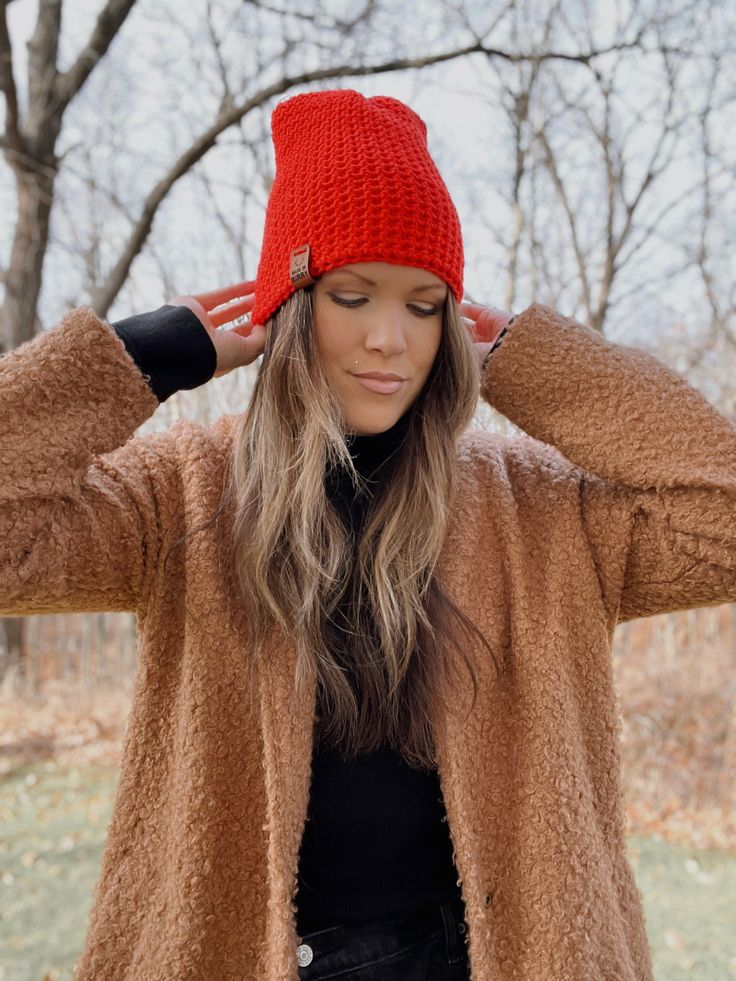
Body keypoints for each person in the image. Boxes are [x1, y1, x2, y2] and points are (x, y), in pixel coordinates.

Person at [1, 88, 734, 981]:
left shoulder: (536, 510)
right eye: (353, 295)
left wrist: (537, 361)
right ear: (293, 307)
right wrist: (138, 359)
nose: (391, 338)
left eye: (426, 304)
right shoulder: (184, 496)